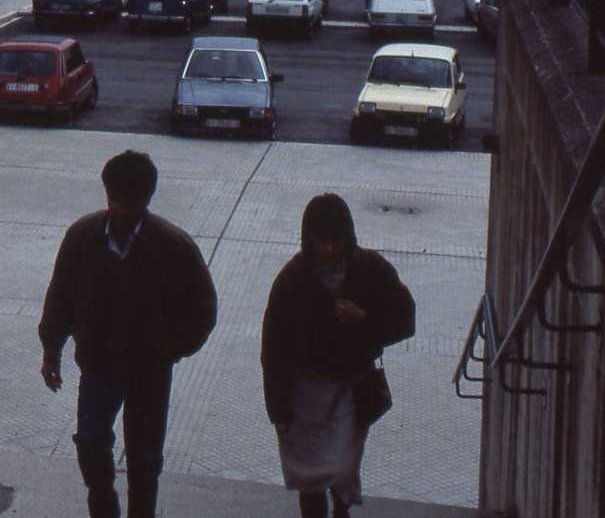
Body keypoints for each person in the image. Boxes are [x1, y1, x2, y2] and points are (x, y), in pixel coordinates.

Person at [39, 150, 218, 518]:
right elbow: (60, 298)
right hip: (99, 366)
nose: (118, 210)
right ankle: (103, 505)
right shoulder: (82, 237)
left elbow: (204, 311)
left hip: (149, 374)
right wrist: (51, 354)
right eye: (113, 200)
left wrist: (170, 350)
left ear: (146, 200)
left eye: (128, 203)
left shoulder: (175, 247)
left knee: (145, 460)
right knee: (89, 442)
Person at [261, 194, 416, 518]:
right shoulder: (292, 279)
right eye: (323, 241)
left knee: (344, 466)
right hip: (304, 390)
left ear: (350, 237)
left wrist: (365, 320)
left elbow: (406, 321)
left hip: (350, 384)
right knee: (310, 474)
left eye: (338, 240)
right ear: (310, 240)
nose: (331, 249)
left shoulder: (371, 270)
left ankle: (341, 509)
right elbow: (273, 349)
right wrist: (280, 412)